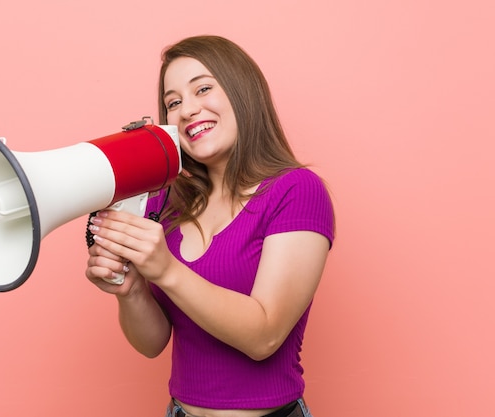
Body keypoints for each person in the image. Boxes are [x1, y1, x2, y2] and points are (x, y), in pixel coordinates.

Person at [85, 35, 335, 417]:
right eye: (173, 102)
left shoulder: (296, 191)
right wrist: (131, 290)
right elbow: (152, 344)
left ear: (243, 92)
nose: (186, 111)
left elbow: (264, 336)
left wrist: (165, 269)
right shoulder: (164, 202)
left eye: (203, 88)